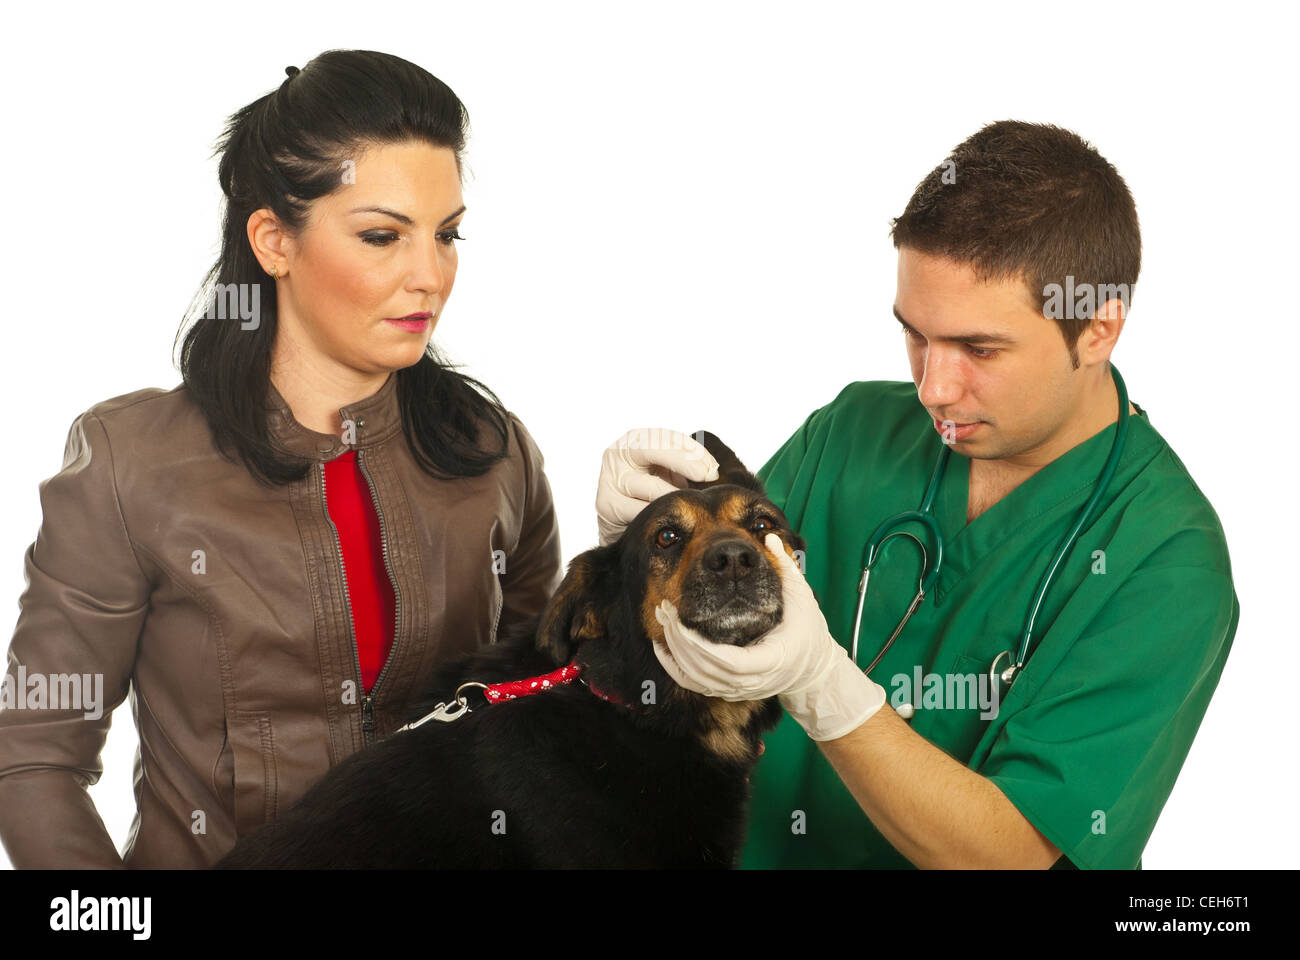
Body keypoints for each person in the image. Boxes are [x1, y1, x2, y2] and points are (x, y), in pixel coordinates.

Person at [596, 121, 1239, 869]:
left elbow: (1009, 856)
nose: (933, 388)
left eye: (979, 349)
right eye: (916, 336)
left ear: (1097, 328)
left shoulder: (1165, 559)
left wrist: (824, 685)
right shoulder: (851, 433)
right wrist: (632, 556)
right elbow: (679, 660)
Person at [0, 50, 562, 868]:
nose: (429, 275)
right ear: (273, 241)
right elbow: (33, 758)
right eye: (382, 236)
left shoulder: (492, 452)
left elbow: (539, 707)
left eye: (447, 235)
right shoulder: (131, 465)